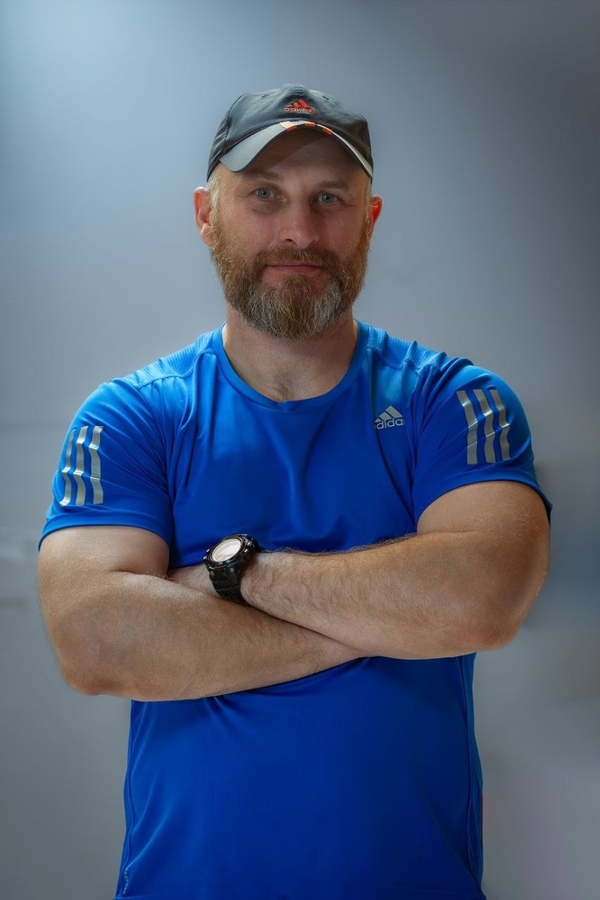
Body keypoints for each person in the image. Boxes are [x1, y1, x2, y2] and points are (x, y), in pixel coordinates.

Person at [38, 84, 550, 900]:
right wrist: (390, 620)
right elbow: (95, 643)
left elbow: (483, 598)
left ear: (369, 221)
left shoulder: (453, 401)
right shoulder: (133, 417)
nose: (300, 232)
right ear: (206, 214)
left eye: (329, 200)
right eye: (265, 195)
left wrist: (234, 575)